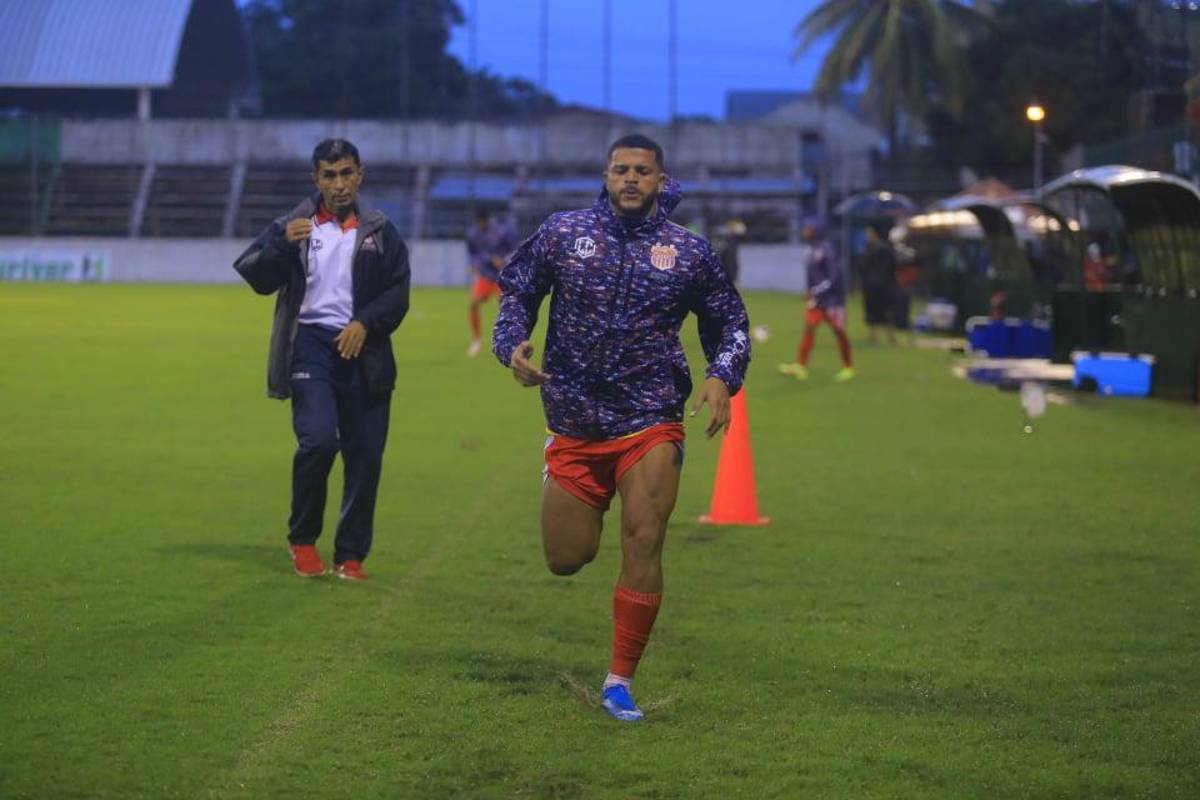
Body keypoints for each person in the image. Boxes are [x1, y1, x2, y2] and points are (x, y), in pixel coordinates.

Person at [492, 133, 751, 723]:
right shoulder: (563, 232)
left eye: (642, 171)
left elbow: (731, 323)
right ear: (605, 177)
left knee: (643, 536)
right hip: (575, 421)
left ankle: (619, 680)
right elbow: (517, 290)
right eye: (620, 170)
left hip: (651, 418)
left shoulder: (689, 253)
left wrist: (721, 377)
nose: (630, 179)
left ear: (661, 180)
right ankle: (556, 467)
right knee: (566, 558)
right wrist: (512, 345)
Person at [233, 139, 411, 581]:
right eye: (329, 175)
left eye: (346, 173)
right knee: (319, 442)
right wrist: (278, 242)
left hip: (365, 352)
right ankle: (303, 539)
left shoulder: (381, 230)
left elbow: (398, 293)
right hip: (309, 347)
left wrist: (365, 323)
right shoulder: (294, 224)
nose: (339, 184)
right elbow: (253, 273)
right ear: (316, 178)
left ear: (360, 174)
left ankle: (350, 555)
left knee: (365, 456)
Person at [777, 217, 854, 382]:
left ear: (817, 231)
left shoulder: (827, 250)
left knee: (839, 332)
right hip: (818, 300)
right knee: (809, 328)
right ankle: (800, 366)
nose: (805, 231)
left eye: (809, 228)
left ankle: (848, 367)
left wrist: (814, 291)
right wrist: (812, 293)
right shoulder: (812, 249)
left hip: (832, 300)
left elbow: (833, 278)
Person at [466, 207, 517, 357]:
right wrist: (477, 263)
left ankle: (507, 342)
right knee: (474, 304)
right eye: (479, 223)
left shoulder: (503, 231)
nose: (481, 225)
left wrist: (504, 260)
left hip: (503, 275)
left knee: (506, 309)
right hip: (486, 275)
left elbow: (515, 249)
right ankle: (476, 340)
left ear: (488, 220)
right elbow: (472, 253)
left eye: (483, 222)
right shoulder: (473, 234)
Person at [859, 225, 897, 344]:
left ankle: (888, 336)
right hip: (878, 284)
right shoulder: (880, 248)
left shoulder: (875, 249)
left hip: (878, 284)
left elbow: (863, 267)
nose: (867, 236)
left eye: (869, 233)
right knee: (877, 310)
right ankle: (877, 336)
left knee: (882, 310)